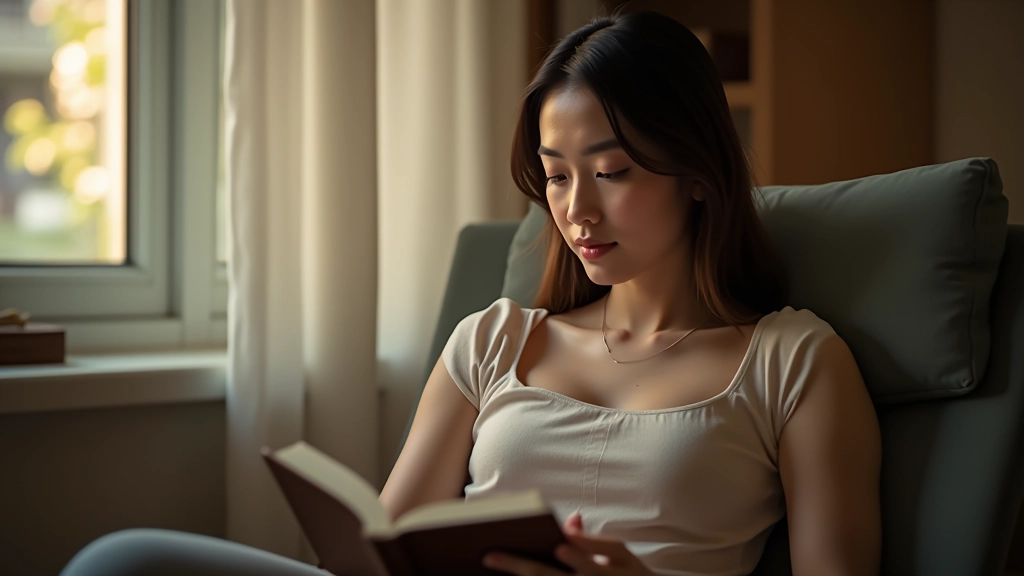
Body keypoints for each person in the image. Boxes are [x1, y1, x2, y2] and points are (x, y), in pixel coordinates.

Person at [61, 10, 880, 576]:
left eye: (612, 172)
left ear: (698, 174)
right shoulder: (492, 341)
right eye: (556, 177)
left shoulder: (793, 362)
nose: (576, 210)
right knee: (122, 560)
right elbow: (385, 543)